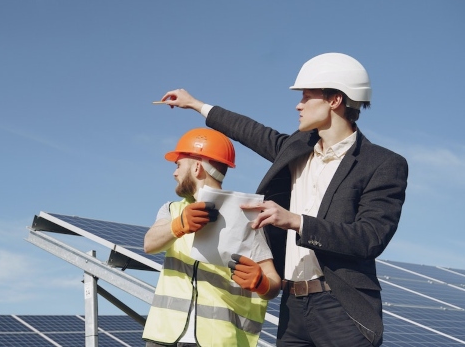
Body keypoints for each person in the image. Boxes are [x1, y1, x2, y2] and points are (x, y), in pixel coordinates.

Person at [158, 53, 408, 346]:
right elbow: (250, 131)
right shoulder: (296, 149)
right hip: (292, 306)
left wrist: (296, 221)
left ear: (334, 100)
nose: (298, 105)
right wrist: (196, 104)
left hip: (341, 308)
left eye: (306, 97)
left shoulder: (382, 164)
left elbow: (370, 238)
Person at [142, 128, 281, 347]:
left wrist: (262, 284)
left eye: (179, 164)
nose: (174, 173)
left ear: (197, 167)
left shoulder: (247, 218)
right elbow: (149, 244)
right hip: (164, 337)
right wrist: (179, 225)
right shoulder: (172, 210)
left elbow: (273, 282)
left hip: (218, 340)